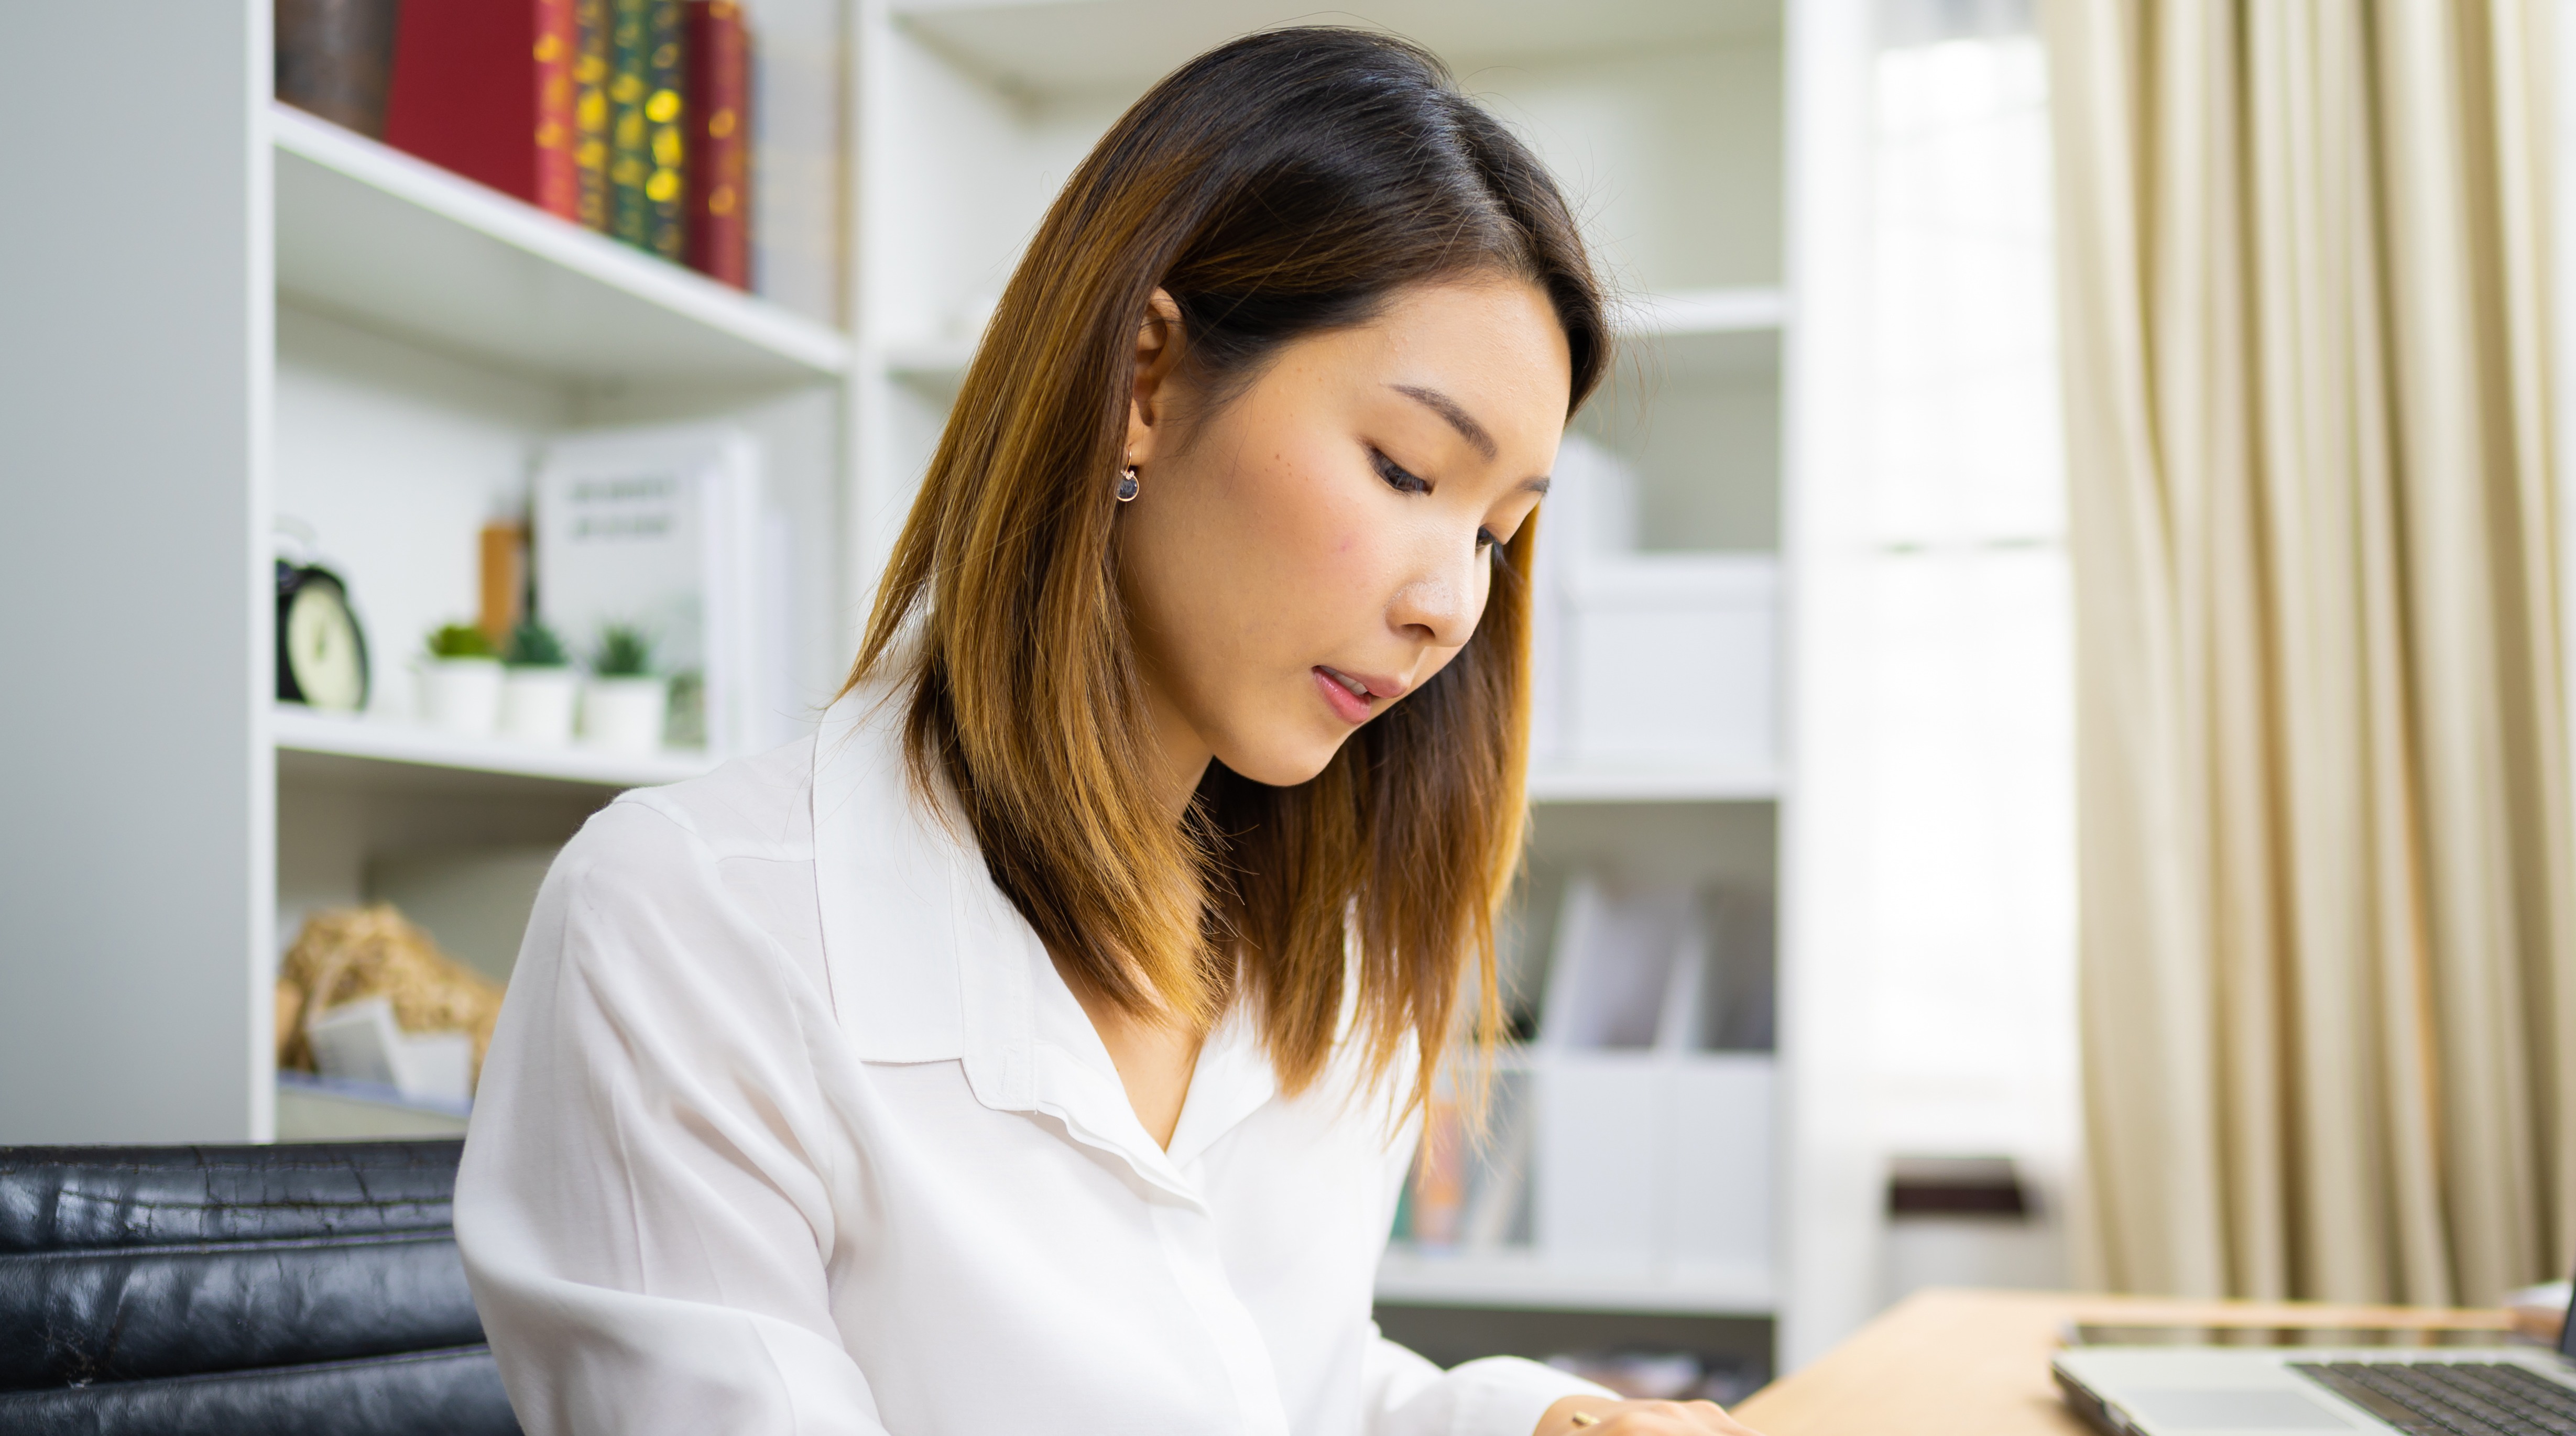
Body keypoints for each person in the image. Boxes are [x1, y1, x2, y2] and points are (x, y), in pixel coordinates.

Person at [454, 28, 1769, 1436]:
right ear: (1146, 384)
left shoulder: (1306, 942)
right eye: (1405, 469)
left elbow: (1276, 1386)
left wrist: (1528, 1424)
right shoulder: (685, 929)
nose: (1452, 606)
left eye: (1499, 532)